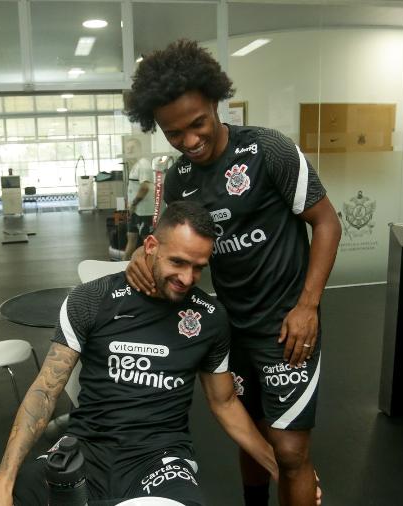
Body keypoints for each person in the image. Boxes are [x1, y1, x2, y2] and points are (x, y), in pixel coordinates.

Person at [124, 39, 341, 506]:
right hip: (230, 328)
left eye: (197, 123)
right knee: (252, 436)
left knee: (289, 450)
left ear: (216, 103)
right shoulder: (181, 178)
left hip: (286, 328)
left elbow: (327, 223)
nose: (189, 140)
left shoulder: (269, 151)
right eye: (173, 132)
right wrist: (141, 260)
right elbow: (168, 245)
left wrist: (308, 306)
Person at [0, 201, 279, 506]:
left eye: (198, 267)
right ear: (150, 246)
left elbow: (224, 401)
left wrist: (281, 466)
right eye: (178, 262)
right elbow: (45, 390)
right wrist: (2, 479)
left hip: (159, 461)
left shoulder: (210, 317)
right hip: (87, 448)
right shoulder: (91, 300)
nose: (187, 278)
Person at [123, 139, 156, 260]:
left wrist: (134, 203)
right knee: (131, 238)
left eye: (132, 148)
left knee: (148, 242)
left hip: (144, 212)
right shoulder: (136, 165)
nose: (129, 150)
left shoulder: (144, 164)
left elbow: (145, 187)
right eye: (128, 148)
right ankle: (122, 270)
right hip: (135, 211)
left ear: (139, 149)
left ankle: (152, 269)